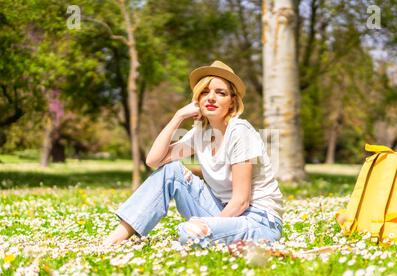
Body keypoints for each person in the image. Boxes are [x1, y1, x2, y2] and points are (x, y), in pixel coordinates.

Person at [104, 60, 284, 247]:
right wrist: (179, 116)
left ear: (232, 102)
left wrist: (210, 225)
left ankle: (224, 238)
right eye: (205, 92)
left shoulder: (240, 131)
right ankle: (115, 239)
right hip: (225, 212)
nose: (211, 98)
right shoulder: (201, 133)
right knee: (171, 170)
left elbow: (241, 201)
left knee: (189, 232)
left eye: (220, 93)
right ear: (197, 99)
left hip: (258, 220)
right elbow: (154, 160)